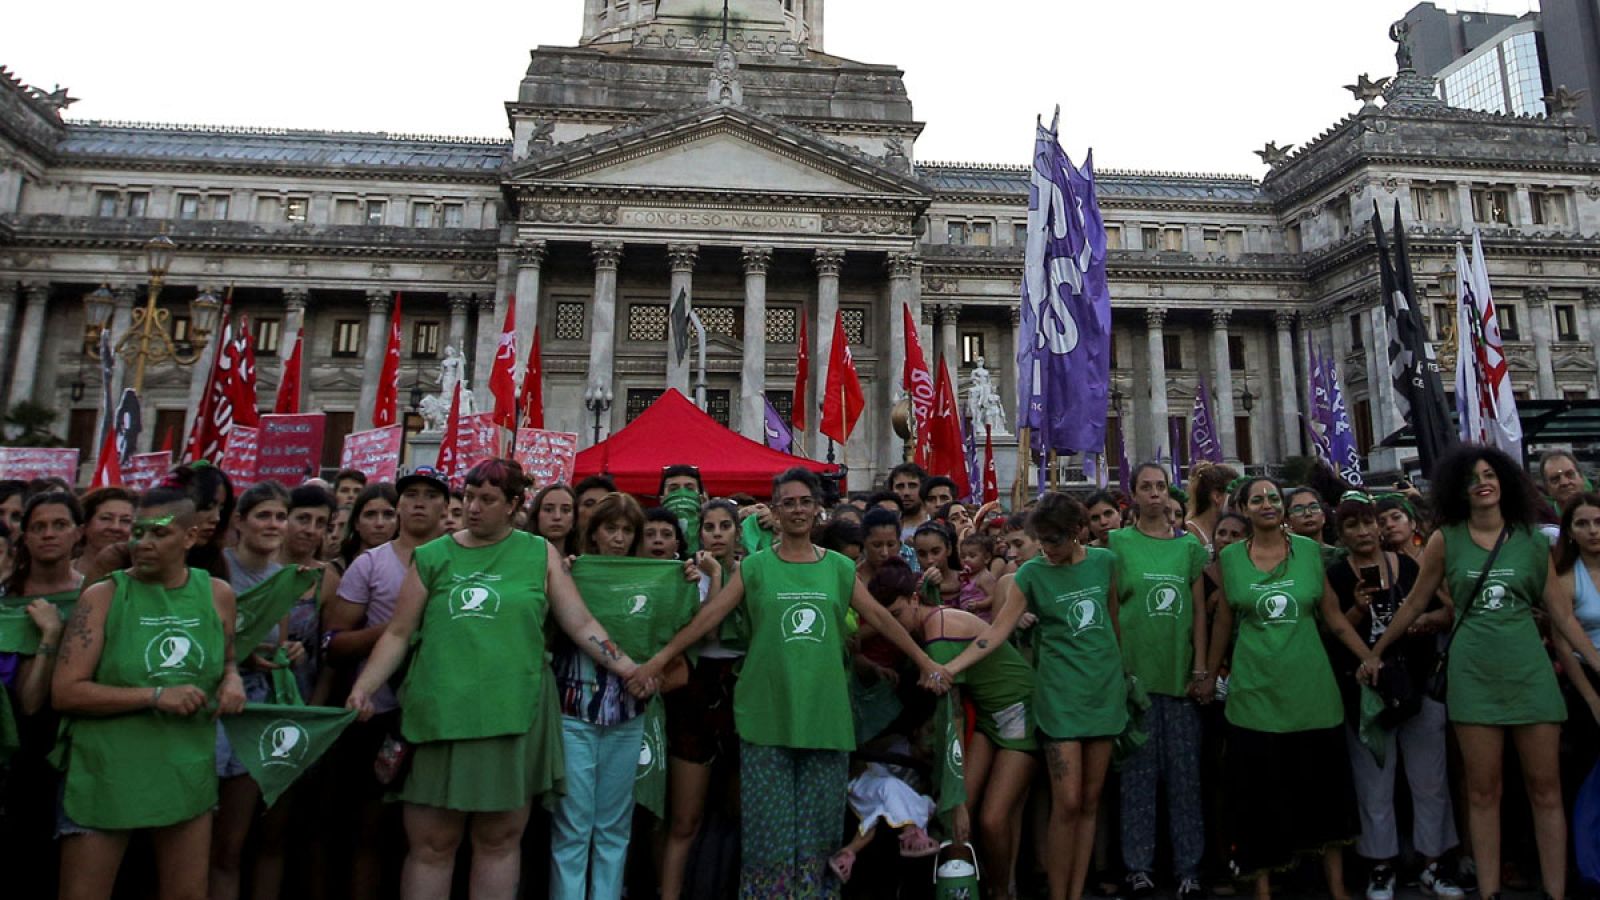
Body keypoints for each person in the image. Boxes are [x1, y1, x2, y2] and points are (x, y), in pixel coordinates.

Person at [628, 466, 951, 897]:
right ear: (775, 512)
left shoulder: (838, 567)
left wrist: (926, 662)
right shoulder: (755, 567)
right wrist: (659, 660)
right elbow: (710, 617)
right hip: (767, 716)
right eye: (788, 502)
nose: (797, 510)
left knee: (818, 836)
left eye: (804, 502)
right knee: (768, 837)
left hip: (825, 716)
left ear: (818, 509)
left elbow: (878, 617)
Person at [348, 459, 644, 900]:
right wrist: (364, 687)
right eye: (468, 497)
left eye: (486, 500)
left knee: (499, 842)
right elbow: (398, 633)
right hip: (439, 717)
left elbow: (580, 622)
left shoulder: (538, 553)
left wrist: (629, 668)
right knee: (432, 845)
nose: (472, 508)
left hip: (513, 715)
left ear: (513, 505)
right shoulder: (432, 557)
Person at [1370, 446, 1599, 900]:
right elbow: (1416, 602)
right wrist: (1377, 650)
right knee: (1482, 793)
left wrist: (1595, 661)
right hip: (1473, 675)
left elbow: (1561, 616)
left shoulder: (1533, 541)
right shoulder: (1445, 539)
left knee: (1546, 790)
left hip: (1530, 674)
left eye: (1490, 474)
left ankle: (1556, 892)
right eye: (1472, 478)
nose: (1482, 483)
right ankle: (1489, 891)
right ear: (1459, 488)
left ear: (1506, 481)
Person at [53, 486, 246, 900]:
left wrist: (232, 679)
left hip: (184, 769)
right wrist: (155, 696)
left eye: (158, 533)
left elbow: (227, 659)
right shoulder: (103, 596)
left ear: (190, 538)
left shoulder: (217, 595)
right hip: (105, 772)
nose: (143, 543)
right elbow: (66, 692)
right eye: (138, 532)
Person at [943, 492, 1125, 900]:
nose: (1047, 548)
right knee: (1067, 802)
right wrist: (952, 667)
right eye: (1041, 539)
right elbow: (996, 631)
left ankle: (1075, 892)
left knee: (1090, 803)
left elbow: (1113, 626)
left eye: (1054, 540)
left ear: (1077, 533)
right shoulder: (1031, 575)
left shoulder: (1105, 563)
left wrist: (1124, 679)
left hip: (1104, 691)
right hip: (1059, 695)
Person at [1203, 477, 1370, 900]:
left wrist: (1369, 654)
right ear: (1244, 508)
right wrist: (1206, 671)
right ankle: (1262, 889)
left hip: (1311, 690)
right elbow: (1223, 619)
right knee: (1259, 797)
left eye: (1273, 498)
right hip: (1255, 693)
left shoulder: (1311, 552)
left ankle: (1336, 887)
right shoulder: (1231, 559)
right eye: (1257, 499)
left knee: (1324, 793)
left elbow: (1332, 617)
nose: (1266, 505)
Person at [550, 492, 691, 900]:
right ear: (592, 534)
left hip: (629, 711)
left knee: (614, 826)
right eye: (610, 528)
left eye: (627, 530)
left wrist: (693, 580)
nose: (618, 538)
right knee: (573, 826)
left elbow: (681, 628)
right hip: (575, 710)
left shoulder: (655, 577)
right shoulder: (570, 573)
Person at [1324, 493, 1461, 900]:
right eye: (1353, 525)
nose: (1364, 531)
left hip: (1415, 685)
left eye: (1369, 522)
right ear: (1342, 534)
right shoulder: (1335, 576)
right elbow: (1332, 630)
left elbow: (1446, 612)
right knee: (1374, 785)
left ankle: (1434, 861)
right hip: (1365, 692)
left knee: (1429, 780)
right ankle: (1380, 865)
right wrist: (1359, 614)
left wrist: (1420, 620)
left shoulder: (1409, 565)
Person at [872, 557, 1035, 899]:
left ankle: (1001, 892)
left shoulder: (938, 633)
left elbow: (952, 721)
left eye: (899, 614)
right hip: (990, 718)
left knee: (989, 818)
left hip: (1021, 713)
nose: (896, 626)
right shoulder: (931, 624)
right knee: (956, 812)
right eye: (887, 620)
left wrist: (958, 800)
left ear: (916, 600)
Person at [323, 467, 449, 900]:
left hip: (439, 715)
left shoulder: (462, 560)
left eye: (430, 495)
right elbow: (335, 643)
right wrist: (397, 626)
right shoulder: (369, 564)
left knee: (432, 834)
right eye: (410, 493)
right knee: (371, 831)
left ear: (446, 506)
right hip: (379, 713)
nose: (418, 502)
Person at [1108, 463, 1209, 900]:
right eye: (1145, 487)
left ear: (1170, 495)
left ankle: (1189, 867)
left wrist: (1201, 667)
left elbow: (1201, 611)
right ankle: (1138, 866)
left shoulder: (1188, 550)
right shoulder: (1115, 544)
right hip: (1135, 679)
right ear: (1131, 494)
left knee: (1185, 778)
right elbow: (1112, 610)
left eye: (1160, 487)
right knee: (1136, 779)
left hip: (1180, 675)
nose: (1154, 494)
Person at [211, 481, 297, 900]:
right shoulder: (215, 571)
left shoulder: (282, 578)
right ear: (239, 522)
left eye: (281, 516)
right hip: (208, 708)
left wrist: (283, 656)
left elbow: (276, 644)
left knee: (230, 845)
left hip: (256, 708)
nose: (274, 524)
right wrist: (236, 658)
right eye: (264, 515)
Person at [659, 498, 745, 900]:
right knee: (684, 818)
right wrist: (714, 576)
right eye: (709, 527)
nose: (716, 534)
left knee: (739, 808)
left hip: (740, 688)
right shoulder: (690, 576)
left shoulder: (754, 572)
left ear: (736, 532)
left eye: (724, 526)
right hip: (696, 692)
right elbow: (708, 631)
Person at [1547, 491, 1600, 813]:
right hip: (1586, 680)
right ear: (1570, 531)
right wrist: (1593, 699)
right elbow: (1563, 645)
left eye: (1598, 522)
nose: (1593, 530)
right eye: (1583, 524)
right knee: (1588, 770)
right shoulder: (1565, 578)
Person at [279, 484, 341, 703]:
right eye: (303, 519)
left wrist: (315, 707)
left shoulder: (328, 580)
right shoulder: (258, 569)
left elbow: (329, 659)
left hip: (301, 693)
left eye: (321, 523)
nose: (311, 529)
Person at [76, 487, 136, 577]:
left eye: (125, 520)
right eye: (106, 518)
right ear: (85, 524)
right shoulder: (57, 573)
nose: (115, 527)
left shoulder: (142, 578)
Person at [338, 483, 399, 572]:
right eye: (370, 515)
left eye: (388, 515)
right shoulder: (336, 569)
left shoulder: (411, 566)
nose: (379, 523)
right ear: (356, 523)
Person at [1184, 463, 1240, 553]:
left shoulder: (1231, 528)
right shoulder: (1188, 532)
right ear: (1217, 496)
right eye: (1234, 496)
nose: (1238, 503)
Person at [912, 522, 962, 606]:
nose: (929, 560)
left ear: (949, 549)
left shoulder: (968, 580)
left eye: (935, 552)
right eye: (922, 554)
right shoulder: (912, 585)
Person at [531, 483, 579, 558]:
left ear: (574, 519)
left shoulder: (581, 563)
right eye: (548, 510)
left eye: (565, 510)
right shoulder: (519, 557)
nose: (557, 516)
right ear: (536, 515)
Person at [889, 463, 930, 540]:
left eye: (912, 486)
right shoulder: (886, 528)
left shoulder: (935, 524)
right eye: (900, 487)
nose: (906, 493)